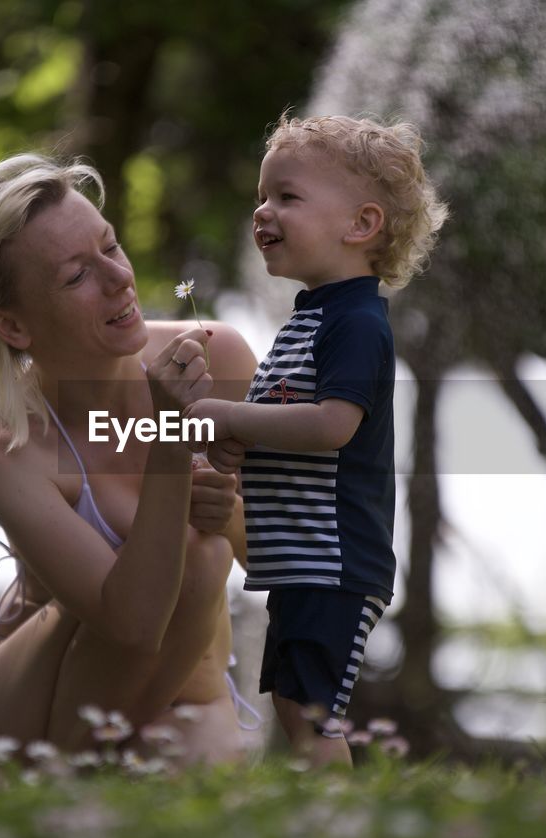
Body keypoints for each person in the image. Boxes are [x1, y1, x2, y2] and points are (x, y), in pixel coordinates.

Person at [0, 152, 261, 775]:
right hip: (32, 704)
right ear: (12, 325)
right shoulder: (5, 449)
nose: (118, 280)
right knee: (196, 554)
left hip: (187, 690)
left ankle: (101, 777)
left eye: (110, 247)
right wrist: (170, 441)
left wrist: (233, 513)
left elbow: (285, 560)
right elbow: (131, 623)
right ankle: (61, 786)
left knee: (198, 812)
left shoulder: (218, 359)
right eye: (77, 276)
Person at [186, 114, 447, 767]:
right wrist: (235, 443)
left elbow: (333, 424)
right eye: (262, 195)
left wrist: (230, 418)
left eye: (287, 196)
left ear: (360, 226)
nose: (263, 211)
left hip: (334, 561)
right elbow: (281, 421)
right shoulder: (308, 323)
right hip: (304, 562)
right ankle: (319, 818)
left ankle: (334, 827)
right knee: (294, 702)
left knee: (311, 711)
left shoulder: (356, 324)